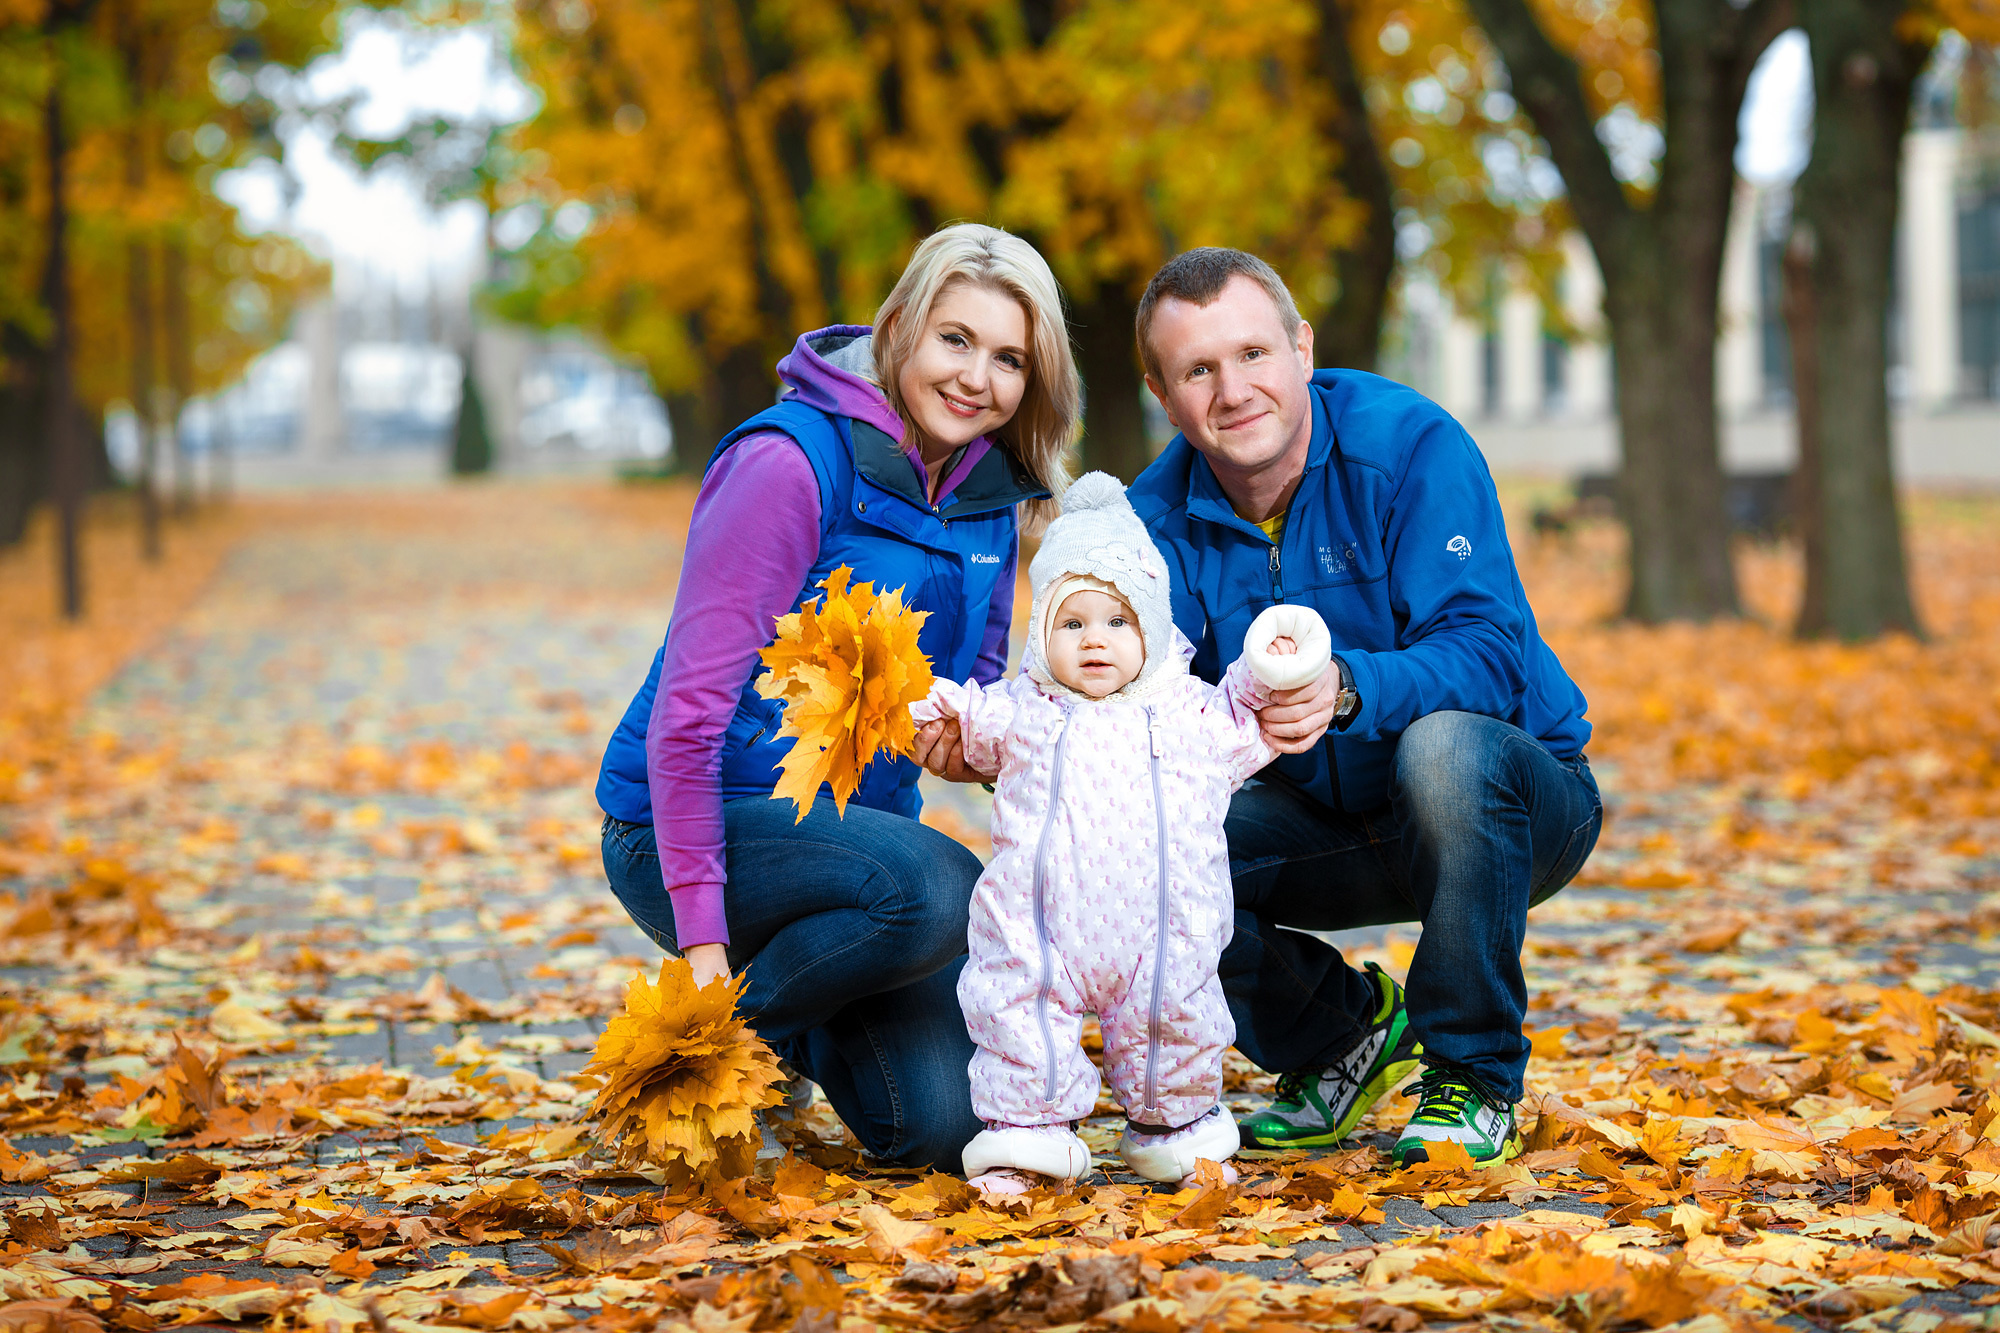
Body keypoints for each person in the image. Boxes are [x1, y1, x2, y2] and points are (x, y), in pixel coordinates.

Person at [594, 223, 1078, 1171]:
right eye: (955, 339)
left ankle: (795, 1028)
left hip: (855, 861)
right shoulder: (789, 463)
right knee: (939, 885)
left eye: (1010, 358)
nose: (978, 376)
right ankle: (705, 1051)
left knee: (943, 1129)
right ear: (900, 327)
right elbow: (686, 719)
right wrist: (701, 946)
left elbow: (973, 696)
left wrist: (987, 746)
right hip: (688, 829)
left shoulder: (991, 499)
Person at [1123, 247, 1602, 1166]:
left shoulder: (1411, 446)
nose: (1234, 391)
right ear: (1160, 392)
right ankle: (1339, 1036)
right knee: (1137, 843)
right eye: (1198, 370)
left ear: (1302, 348)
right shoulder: (1152, 524)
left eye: (1255, 354)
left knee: (1445, 750)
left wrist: (1346, 687)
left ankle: (1471, 1073)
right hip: (1318, 820)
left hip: (1508, 801)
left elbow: (1489, 656)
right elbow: (1146, 712)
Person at [910, 472, 1335, 1194]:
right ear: (1044, 630)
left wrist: (1279, 665)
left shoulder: (1194, 713)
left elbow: (1251, 705)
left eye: (1118, 621)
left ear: (1152, 623)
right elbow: (962, 720)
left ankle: (1178, 1132)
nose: (1095, 642)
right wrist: (932, 715)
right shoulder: (1023, 707)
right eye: (1072, 624)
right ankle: (1026, 1140)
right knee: (1020, 1021)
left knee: (1174, 1026)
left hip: (1162, 938)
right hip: (1037, 933)